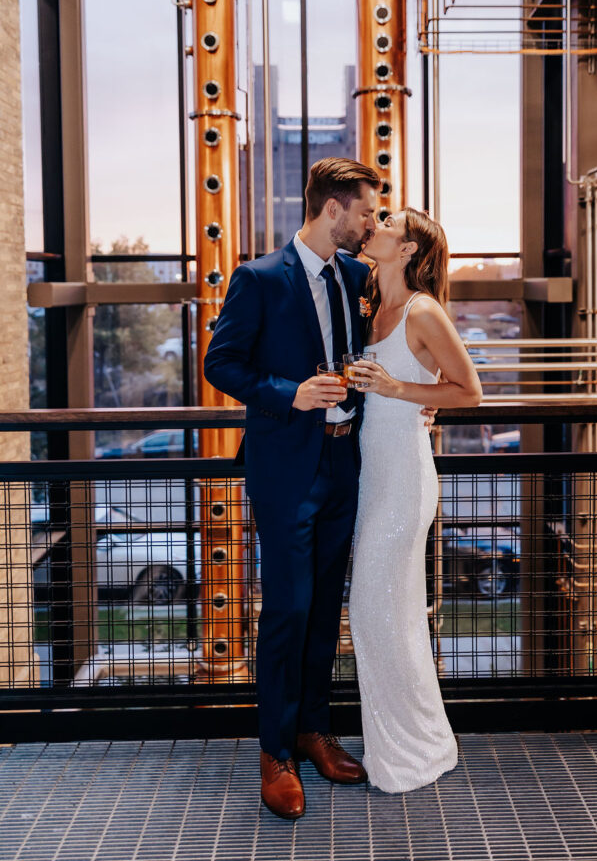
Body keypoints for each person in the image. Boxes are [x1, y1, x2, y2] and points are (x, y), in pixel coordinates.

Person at [204, 159, 435, 820]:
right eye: (365, 212)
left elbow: (405, 329)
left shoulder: (356, 276)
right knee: (287, 609)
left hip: (346, 467)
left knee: (326, 605)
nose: (370, 224)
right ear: (333, 209)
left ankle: (313, 729)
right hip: (285, 473)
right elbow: (221, 363)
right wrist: (290, 394)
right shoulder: (258, 279)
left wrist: (424, 395)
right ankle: (274, 751)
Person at [348, 207, 483, 794]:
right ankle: (413, 737)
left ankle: (413, 746)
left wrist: (400, 390)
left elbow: (469, 391)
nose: (373, 225)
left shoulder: (423, 310)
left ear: (406, 250)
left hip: (404, 478)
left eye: (386, 222)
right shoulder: (370, 304)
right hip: (368, 475)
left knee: (376, 611)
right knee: (390, 614)